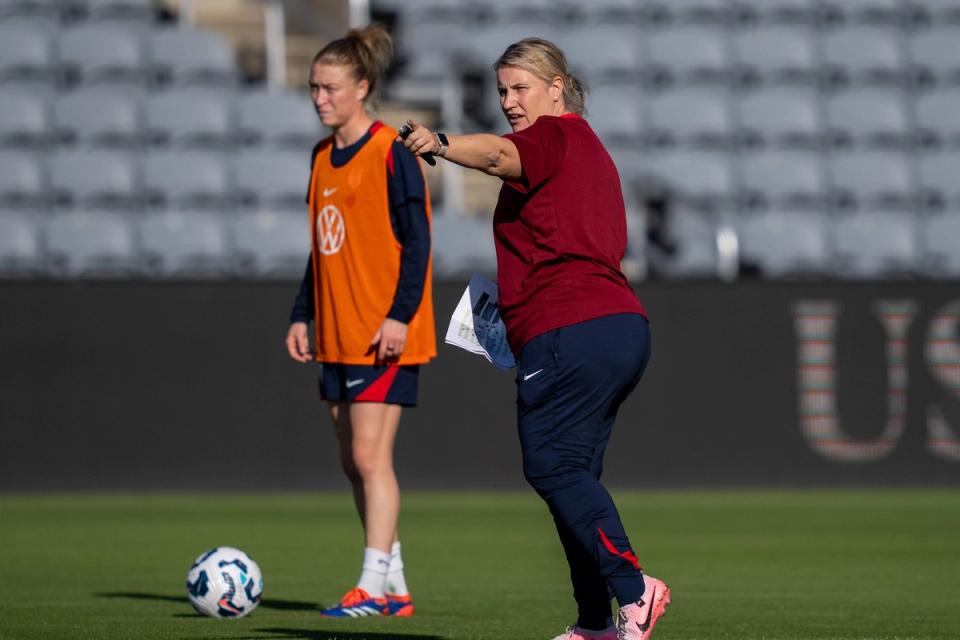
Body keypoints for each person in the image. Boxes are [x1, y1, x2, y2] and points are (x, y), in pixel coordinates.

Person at [400, 38, 670, 640]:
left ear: (557, 87)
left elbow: (498, 156)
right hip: (617, 325)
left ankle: (634, 591)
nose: (509, 101)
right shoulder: (590, 150)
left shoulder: (553, 136)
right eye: (501, 90)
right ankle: (596, 622)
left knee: (551, 467)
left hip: (570, 327)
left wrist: (441, 143)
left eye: (520, 88)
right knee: (572, 478)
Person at [285, 24, 435, 618]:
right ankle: (394, 586)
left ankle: (371, 586)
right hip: (336, 331)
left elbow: (419, 241)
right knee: (353, 461)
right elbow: (320, 248)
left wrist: (400, 315)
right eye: (313, 88)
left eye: (329, 88)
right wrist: (302, 313)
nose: (320, 98)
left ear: (362, 87)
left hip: (384, 332)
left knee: (372, 458)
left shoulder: (390, 151)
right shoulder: (322, 156)